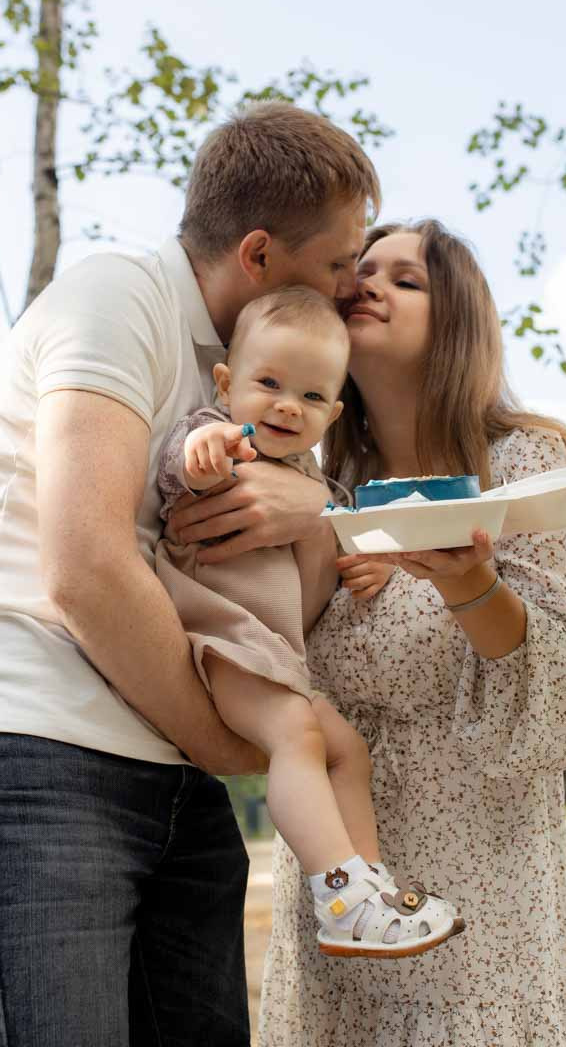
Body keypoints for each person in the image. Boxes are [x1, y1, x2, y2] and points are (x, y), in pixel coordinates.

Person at [0, 101, 379, 1047]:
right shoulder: (115, 299)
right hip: (33, 751)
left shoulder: (253, 377)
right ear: (255, 256)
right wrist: (231, 743)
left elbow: (283, 600)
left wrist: (320, 508)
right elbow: (84, 566)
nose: (350, 287)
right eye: (336, 263)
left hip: (172, 777)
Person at [249, 219, 566, 1045]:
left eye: (406, 280)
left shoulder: (530, 463)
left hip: (483, 897)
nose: (369, 284)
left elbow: (562, 700)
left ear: (457, 321)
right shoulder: (313, 481)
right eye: (362, 270)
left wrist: (469, 582)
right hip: (342, 900)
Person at [156, 284, 464, 958]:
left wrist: (373, 562)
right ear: (226, 381)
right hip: (219, 640)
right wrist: (207, 448)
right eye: (268, 383)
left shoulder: (311, 477)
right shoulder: (215, 434)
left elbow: (340, 534)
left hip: (271, 653)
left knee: (346, 746)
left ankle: (370, 890)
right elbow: (187, 472)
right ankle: (342, 897)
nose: (288, 405)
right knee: (296, 733)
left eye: (312, 396)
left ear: (334, 412)